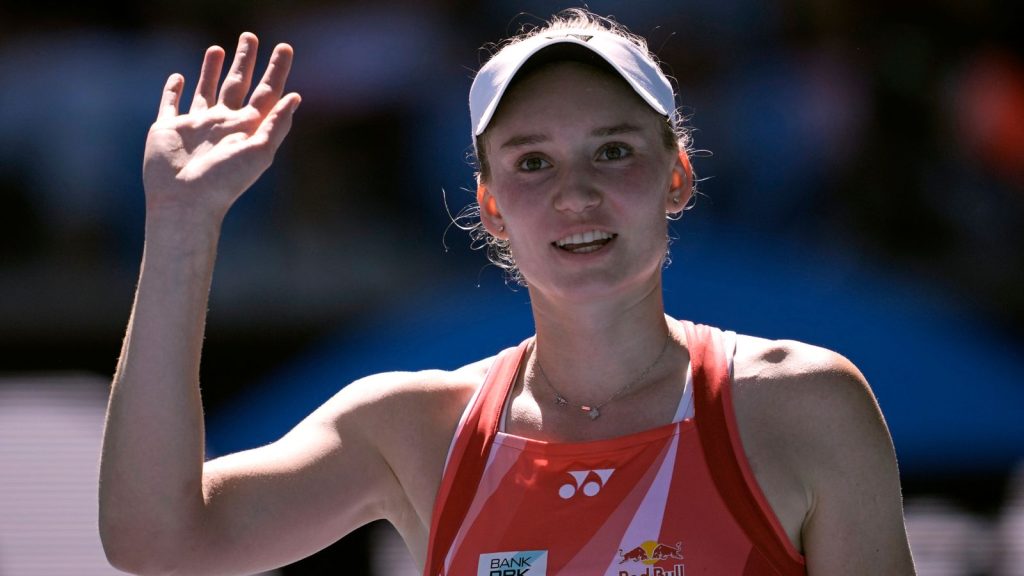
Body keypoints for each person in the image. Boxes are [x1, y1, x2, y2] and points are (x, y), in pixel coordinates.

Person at [99, 9, 916, 576]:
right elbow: (155, 538)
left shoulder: (807, 405)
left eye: (613, 151)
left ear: (677, 178)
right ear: (490, 207)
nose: (576, 195)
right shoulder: (414, 428)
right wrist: (181, 221)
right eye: (532, 162)